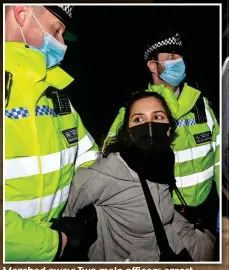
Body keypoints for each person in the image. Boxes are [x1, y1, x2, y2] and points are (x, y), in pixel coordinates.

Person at [63, 91, 216, 262]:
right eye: (138, 119)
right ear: (128, 131)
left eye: (157, 117)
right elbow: (69, 209)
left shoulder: (164, 159)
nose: (149, 125)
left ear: (169, 128)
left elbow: (163, 216)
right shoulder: (107, 173)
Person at [5, 5, 98, 261]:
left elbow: (89, 156)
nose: (61, 44)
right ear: (22, 14)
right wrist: (57, 243)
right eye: (56, 30)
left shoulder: (58, 97)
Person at [105, 30, 220, 236]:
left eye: (180, 56)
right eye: (171, 57)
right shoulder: (135, 110)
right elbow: (108, 157)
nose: (179, 61)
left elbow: (220, 154)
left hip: (206, 210)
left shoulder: (200, 103)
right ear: (152, 65)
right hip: (161, 215)